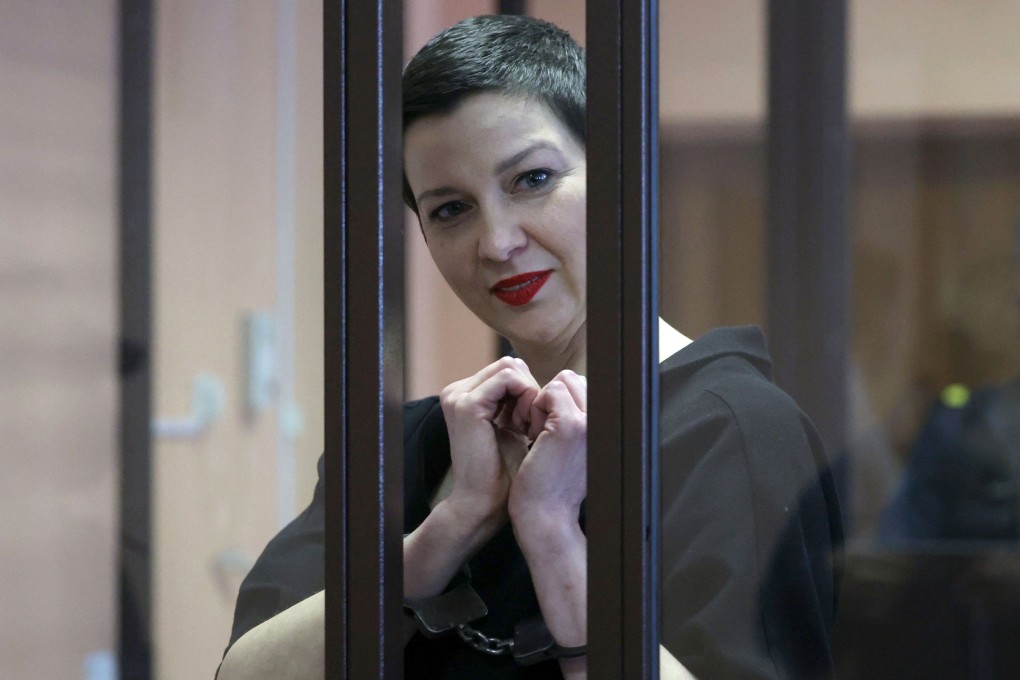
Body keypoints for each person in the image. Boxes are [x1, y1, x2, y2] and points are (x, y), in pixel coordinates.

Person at [217, 15, 842, 680]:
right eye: (451, 210)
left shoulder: (732, 431)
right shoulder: (409, 450)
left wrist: (551, 536)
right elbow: (243, 672)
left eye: (532, 179)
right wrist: (442, 535)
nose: (497, 241)